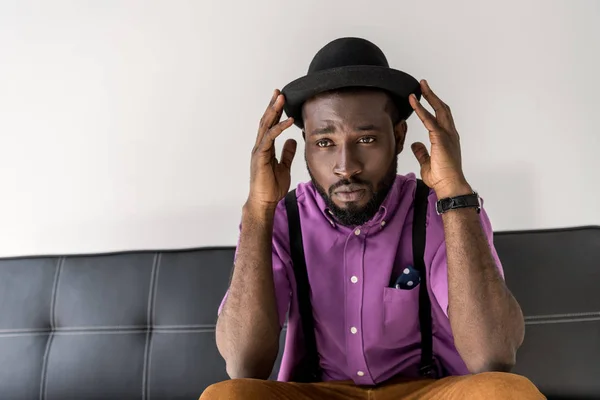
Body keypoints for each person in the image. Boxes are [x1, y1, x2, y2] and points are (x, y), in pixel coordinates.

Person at [201, 38, 545, 399]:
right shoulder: (283, 218)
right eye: (324, 142)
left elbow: (492, 354)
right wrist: (258, 210)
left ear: (398, 137)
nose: (345, 167)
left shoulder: (440, 210)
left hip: (427, 392)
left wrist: (453, 191)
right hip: (320, 393)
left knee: (507, 391)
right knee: (224, 396)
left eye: (365, 139)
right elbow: (242, 364)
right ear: (304, 144)